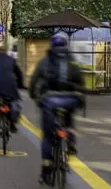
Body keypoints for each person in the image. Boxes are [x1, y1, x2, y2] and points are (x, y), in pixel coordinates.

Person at [29, 32, 85, 185]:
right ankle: (71, 143)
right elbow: (81, 81)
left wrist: (34, 96)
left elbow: (34, 82)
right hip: (70, 100)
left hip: (50, 101)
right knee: (68, 118)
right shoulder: (72, 61)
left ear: (52, 45)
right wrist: (80, 97)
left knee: (47, 136)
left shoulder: (44, 61)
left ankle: (46, 169)